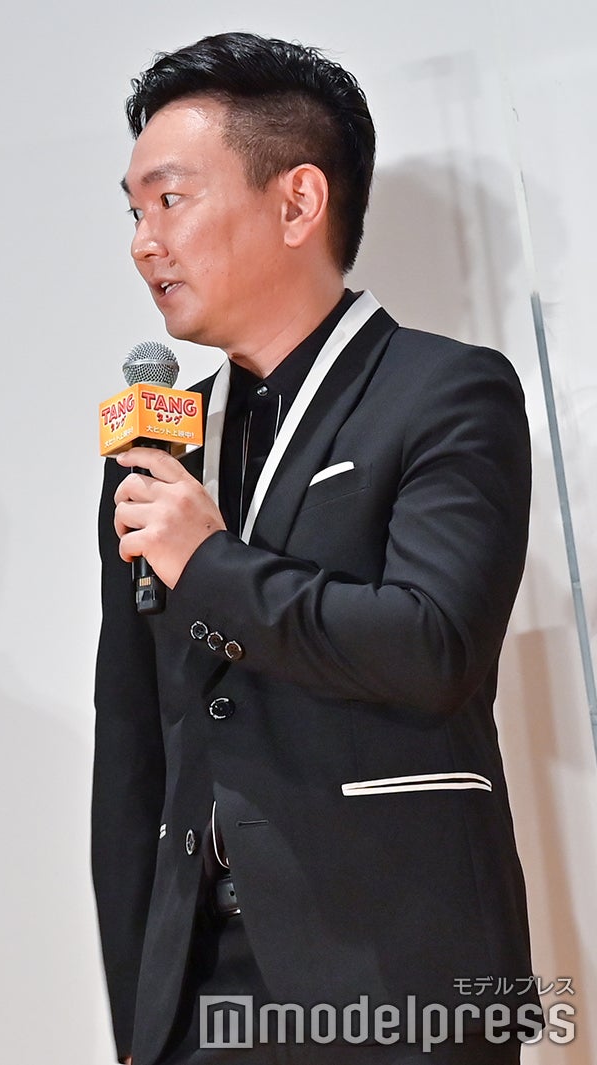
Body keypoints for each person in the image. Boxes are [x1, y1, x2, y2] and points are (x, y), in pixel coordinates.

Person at [93, 32, 536, 1065]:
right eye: (133, 212)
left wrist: (211, 564)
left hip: (398, 982)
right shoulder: (158, 445)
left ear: (297, 202)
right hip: (199, 996)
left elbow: (432, 646)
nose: (143, 243)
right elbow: (133, 747)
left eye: (170, 200)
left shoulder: (444, 393)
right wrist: (139, 1017)